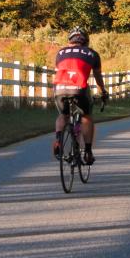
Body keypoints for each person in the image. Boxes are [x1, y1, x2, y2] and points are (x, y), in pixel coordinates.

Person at [51, 27, 109, 165]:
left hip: (60, 88)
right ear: (86, 41)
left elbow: (58, 72)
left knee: (63, 116)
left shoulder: (60, 53)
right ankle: (88, 152)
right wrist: (103, 92)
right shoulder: (92, 54)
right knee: (86, 117)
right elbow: (97, 77)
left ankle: (58, 140)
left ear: (70, 40)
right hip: (79, 89)